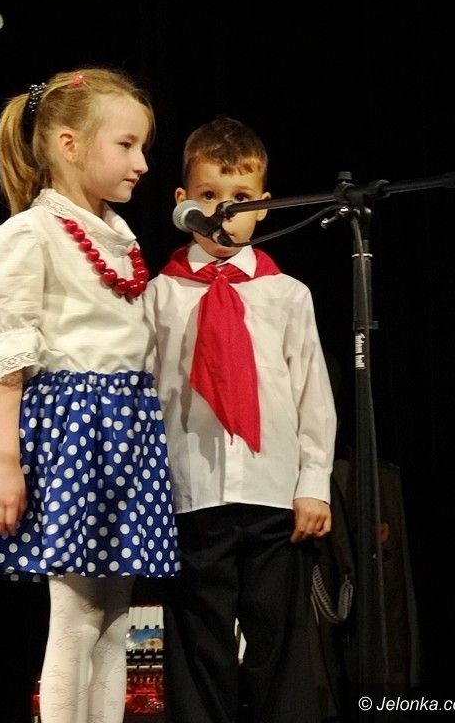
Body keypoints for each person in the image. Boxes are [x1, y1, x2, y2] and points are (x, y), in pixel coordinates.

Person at [0, 66, 179, 723]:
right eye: (126, 145)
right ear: (69, 145)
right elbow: (8, 362)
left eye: (142, 147)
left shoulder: (119, 237)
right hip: (75, 429)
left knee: (119, 618)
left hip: (125, 429)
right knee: (75, 615)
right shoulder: (30, 236)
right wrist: (6, 462)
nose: (141, 163)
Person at [143, 116, 337, 723]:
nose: (224, 213)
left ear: (264, 207)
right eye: (208, 196)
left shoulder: (287, 295)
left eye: (240, 199)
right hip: (191, 493)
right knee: (199, 645)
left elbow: (312, 398)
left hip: (274, 494)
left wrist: (313, 484)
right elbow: (147, 397)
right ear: (183, 202)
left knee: (279, 641)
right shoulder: (159, 295)